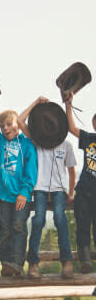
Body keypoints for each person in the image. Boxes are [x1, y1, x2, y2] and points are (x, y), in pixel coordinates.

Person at [18, 96, 76, 279]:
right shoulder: (36, 142)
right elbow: (20, 121)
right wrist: (35, 103)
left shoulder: (66, 145)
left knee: (60, 218)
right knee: (38, 220)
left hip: (59, 189)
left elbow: (72, 171)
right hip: (40, 188)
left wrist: (71, 192)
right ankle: (33, 262)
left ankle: (66, 261)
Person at [0, 92, 38, 276]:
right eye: (3, 126)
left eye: (9, 124)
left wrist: (25, 191)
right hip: (2, 195)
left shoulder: (27, 144)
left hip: (20, 197)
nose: (5, 128)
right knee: (5, 231)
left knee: (19, 228)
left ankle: (17, 264)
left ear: (18, 125)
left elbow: (31, 172)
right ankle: (6, 264)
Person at [65, 92, 96, 273]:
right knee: (83, 227)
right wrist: (69, 105)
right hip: (84, 191)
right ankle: (85, 261)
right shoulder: (89, 139)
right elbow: (71, 127)